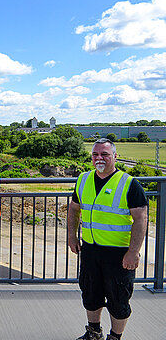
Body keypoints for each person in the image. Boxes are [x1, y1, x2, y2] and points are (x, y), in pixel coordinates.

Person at [68, 138, 148, 340]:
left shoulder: (129, 184)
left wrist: (133, 252)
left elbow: (140, 218)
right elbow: (74, 208)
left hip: (119, 253)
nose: (99, 158)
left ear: (115, 156)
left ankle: (115, 336)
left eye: (104, 154)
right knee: (90, 293)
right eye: (95, 154)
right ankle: (94, 332)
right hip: (91, 249)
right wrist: (71, 236)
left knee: (118, 298)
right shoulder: (83, 179)